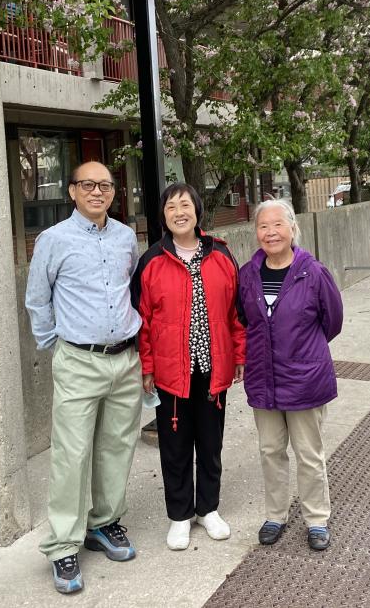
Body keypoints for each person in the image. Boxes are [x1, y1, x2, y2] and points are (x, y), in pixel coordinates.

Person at [25, 160, 143, 595]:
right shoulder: (53, 240)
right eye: (88, 184)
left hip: (125, 360)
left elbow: (130, 288)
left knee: (116, 446)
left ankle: (104, 522)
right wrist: (56, 345)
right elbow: (38, 300)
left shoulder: (125, 237)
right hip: (78, 360)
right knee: (72, 455)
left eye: (106, 185)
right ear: (72, 191)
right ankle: (62, 545)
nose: (98, 191)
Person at [131, 183, 246, 551]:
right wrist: (146, 367)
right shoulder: (151, 261)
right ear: (163, 216)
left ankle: (208, 509)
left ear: (197, 211)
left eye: (185, 205)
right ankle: (179, 516)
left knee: (210, 443)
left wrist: (239, 356)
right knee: (175, 446)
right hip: (170, 371)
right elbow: (142, 321)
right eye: (171, 207)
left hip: (213, 367)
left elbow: (236, 315)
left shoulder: (222, 256)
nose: (179, 212)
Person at [237, 199, 343, 551]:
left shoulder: (313, 272)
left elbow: (333, 321)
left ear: (292, 228)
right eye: (263, 227)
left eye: (277, 225)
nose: (270, 232)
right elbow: (245, 320)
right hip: (263, 377)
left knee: (309, 453)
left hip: (305, 379)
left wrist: (303, 350)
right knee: (270, 450)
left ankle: (316, 519)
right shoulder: (248, 274)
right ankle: (275, 515)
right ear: (256, 233)